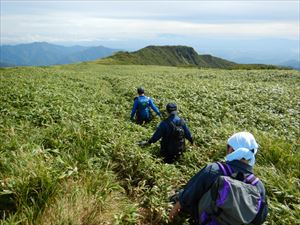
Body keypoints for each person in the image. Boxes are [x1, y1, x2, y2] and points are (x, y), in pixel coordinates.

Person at [169, 131, 268, 225]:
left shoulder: (214, 169)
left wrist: (171, 213)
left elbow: (188, 196)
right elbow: (259, 219)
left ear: (231, 149)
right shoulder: (258, 186)